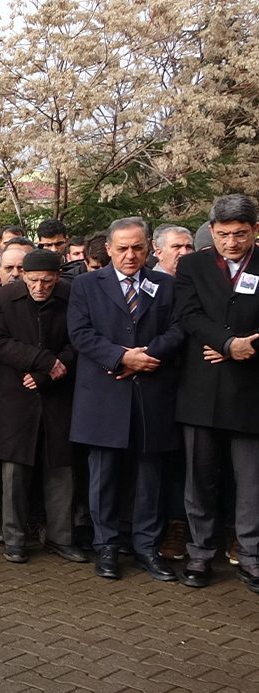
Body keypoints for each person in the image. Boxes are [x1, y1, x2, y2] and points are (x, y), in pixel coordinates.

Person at [68, 217, 183, 582]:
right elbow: (80, 333)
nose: (130, 255)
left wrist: (147, 355)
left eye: (137, 247)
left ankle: (147, 547)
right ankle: (106, 547)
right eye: (122, 248)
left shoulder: (165, 285)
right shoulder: (86, 285)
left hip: (151, 392)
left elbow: (179, 328)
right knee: (103, 476)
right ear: (109, 250)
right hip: (104, 393)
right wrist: (121, 356)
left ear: (148, 248)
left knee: (150, 475)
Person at [173, 194, 259, 593]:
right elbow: (189, 315)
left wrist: (246, 349)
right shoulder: (192, 265)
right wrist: (228, 344)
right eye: (223, 235)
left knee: (251, 480)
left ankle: (251, 555)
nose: (231, 243)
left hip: (250, 389)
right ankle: (200, 553)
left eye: (240, 234)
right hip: (202, 390)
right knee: (200, 479)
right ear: (212, 231)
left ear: (255, 230)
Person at [0, 249, 86, 564]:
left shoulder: (71, 296)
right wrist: (41, 361)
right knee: (14, 471)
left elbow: (78, 341)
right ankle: (14, 538)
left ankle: (60, 536)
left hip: (58, 392)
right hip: (15, 393)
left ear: (58, 277)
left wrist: (52, 371)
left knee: (61, 468)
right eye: (33, 281)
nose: (40, 287)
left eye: (47, 281)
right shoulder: (5, 297)